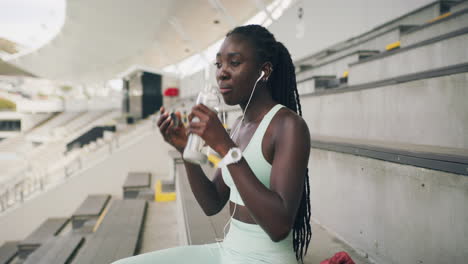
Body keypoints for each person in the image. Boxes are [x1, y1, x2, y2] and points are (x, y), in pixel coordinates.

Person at [113, 24, 311, 264]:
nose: (222, 73)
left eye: (234, 63)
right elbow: (212, 202)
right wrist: (185, 150)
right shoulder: (238, 125)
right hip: (226, 253)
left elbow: (279, 227)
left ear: (264, 71)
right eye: (219, 64)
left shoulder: (289, 126)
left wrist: (226, 147)